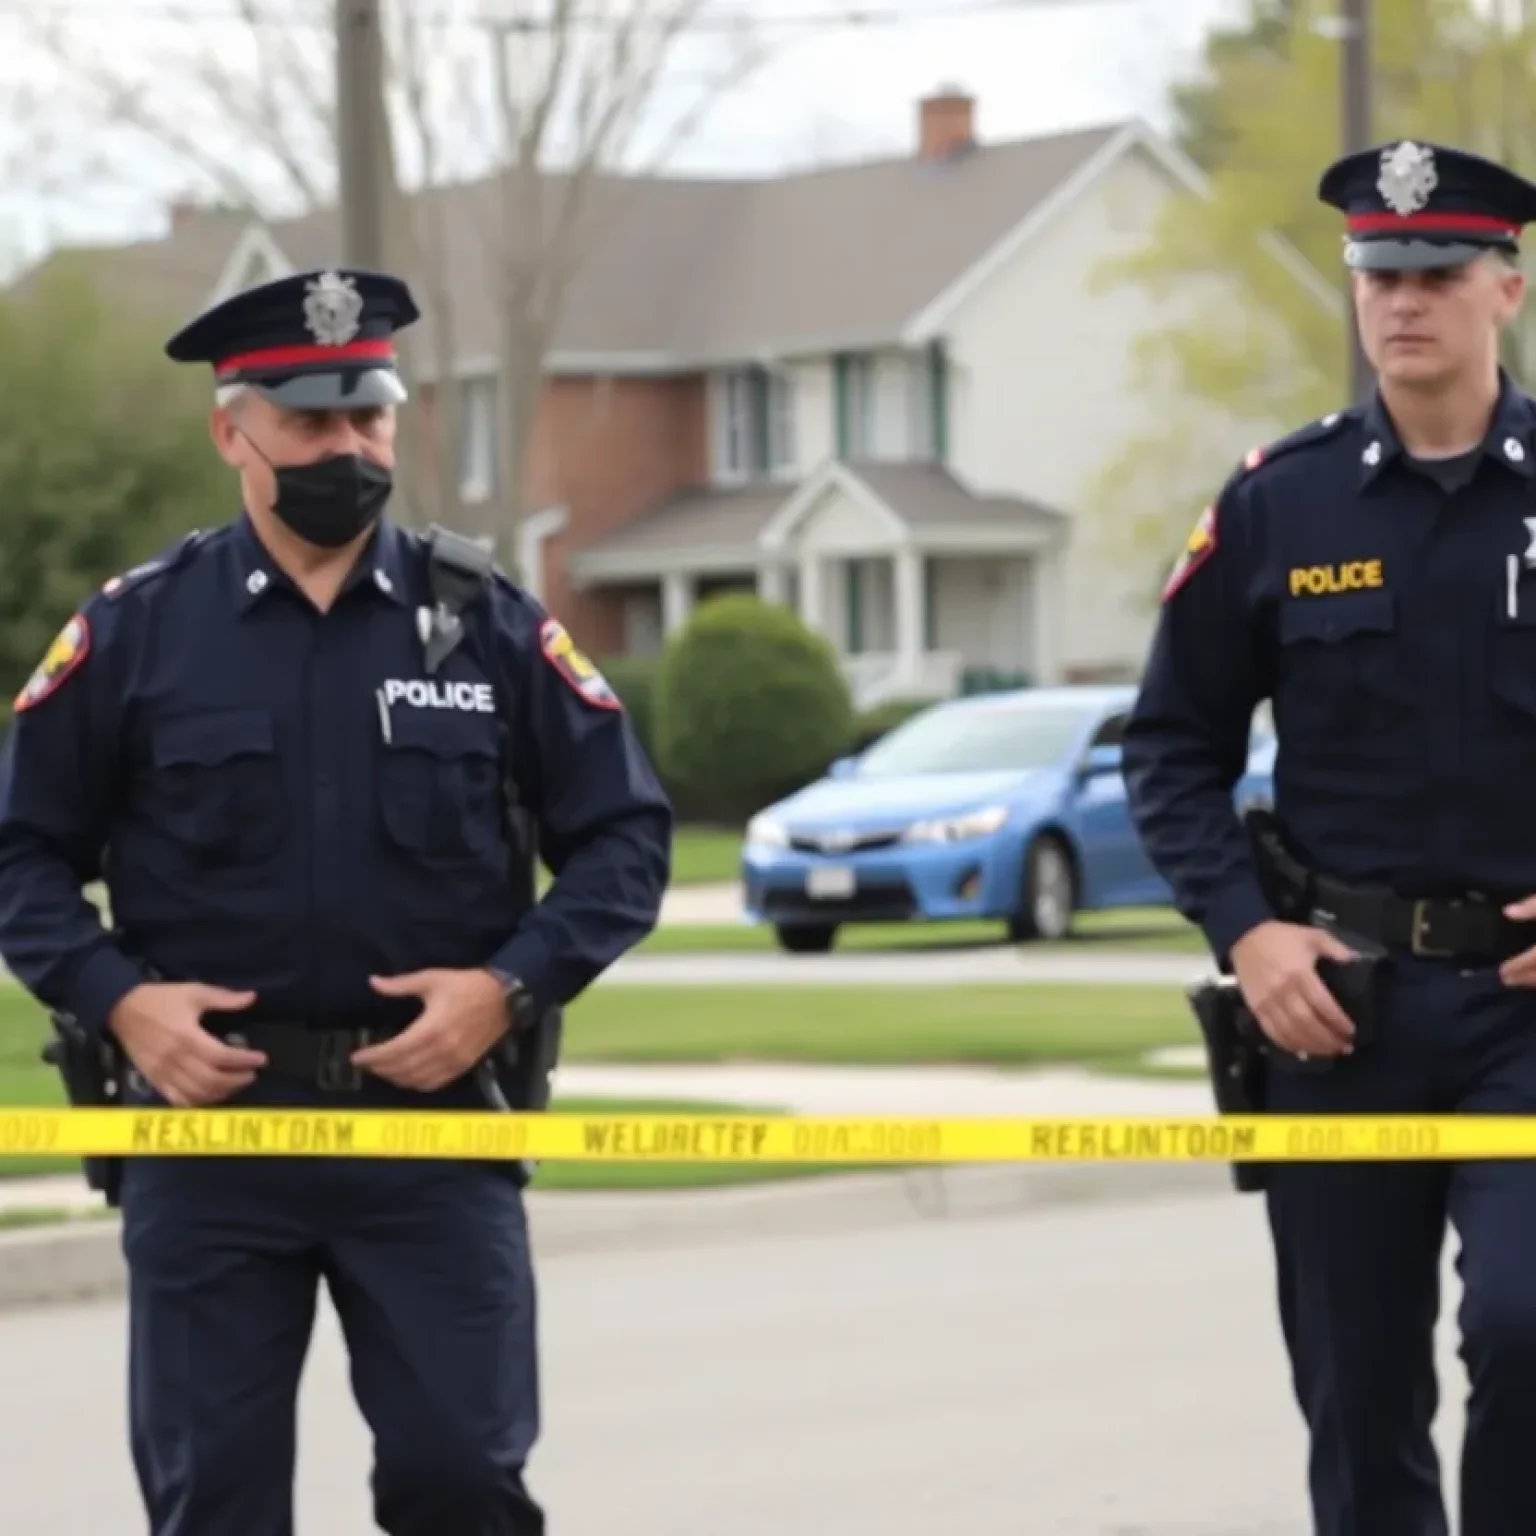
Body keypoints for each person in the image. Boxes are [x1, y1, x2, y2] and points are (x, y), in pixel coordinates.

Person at [0, 266, 673, 1536]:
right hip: (208, 1148)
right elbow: (19, 851)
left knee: (464, 1482)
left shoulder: (486, 627)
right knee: (215, 1505)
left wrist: (506, 988)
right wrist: (120, 1002)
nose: (348, 448)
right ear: (232, 432)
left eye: (369, 416)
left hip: (430, 1135)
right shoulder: (139, 633)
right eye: (313, 423)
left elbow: (627, 839)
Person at [1122, 140, 1536, 1536]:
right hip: (1334, 1013)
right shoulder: (1276, 504)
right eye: (1379, 274)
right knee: (1358, 1402)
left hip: (1523, 1015)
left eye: (1435, 272)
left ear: (1507, 288)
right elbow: (1172, 745)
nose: (1402, 300)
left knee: (1528, 1334)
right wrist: (1247, 932)